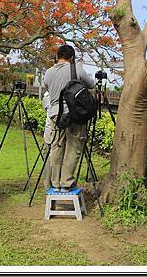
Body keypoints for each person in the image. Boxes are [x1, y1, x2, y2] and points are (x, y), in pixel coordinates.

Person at [43, 45, 94, 192]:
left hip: (54, 115)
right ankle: (67, 181)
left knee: (56, 148)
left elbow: (48, 89)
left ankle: (56, 182)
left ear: (57, 56)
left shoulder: (48, 73)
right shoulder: (76, 68)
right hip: (73, 115)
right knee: (74, 148)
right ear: (71, 57)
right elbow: (91, 84)